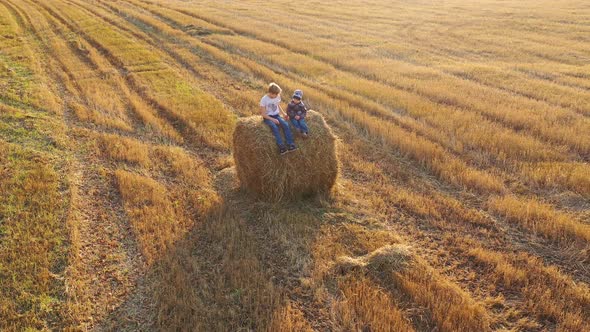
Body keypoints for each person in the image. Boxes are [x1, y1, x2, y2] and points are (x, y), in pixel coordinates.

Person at [260, 82, 297, 155]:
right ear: (270, 93)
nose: (277, 96)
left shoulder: (277, 96)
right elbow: (263, 114)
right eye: (275, 94)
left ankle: (290, 144)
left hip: (276, 115)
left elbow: (278, 105)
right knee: (274, 127)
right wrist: (272, 119)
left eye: (277, 94)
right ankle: (281, 147)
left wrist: (283, 114)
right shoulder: (264, 100)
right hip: (268, 117)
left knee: (285, 125)